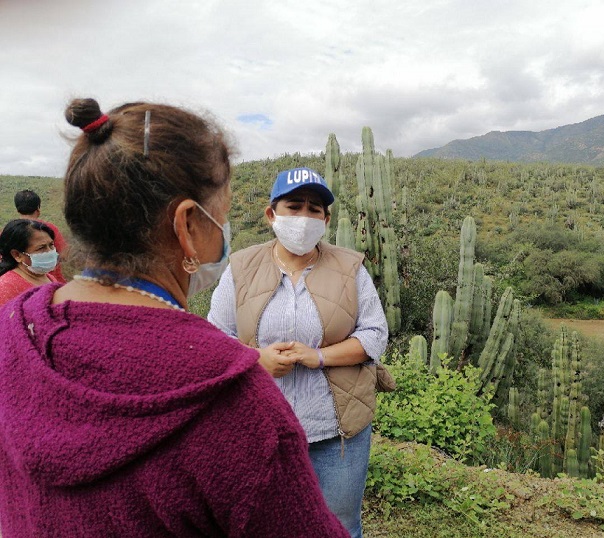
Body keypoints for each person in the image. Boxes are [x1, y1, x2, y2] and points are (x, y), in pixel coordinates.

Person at [0, 100, 349, 538]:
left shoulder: (13, 329)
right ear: (186, 226)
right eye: (220, 213)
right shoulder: (236, 402)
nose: (223, 227)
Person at [208, 167, 391, 538]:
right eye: (294, 207)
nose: (304, 218)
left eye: (314, 210)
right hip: (259, 427)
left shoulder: (350, 268)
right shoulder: (241, 267)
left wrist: (318, 356)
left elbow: (374, 334)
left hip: (336, 429)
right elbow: (215, 336)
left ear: (326, 219)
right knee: (263, 524)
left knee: (339, 526)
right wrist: (255, 359)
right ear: (271, 214)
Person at [0, 218, 59, 307]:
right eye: (41, 248)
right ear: (17, 255)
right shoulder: (6, 287)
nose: (50, 252)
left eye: (51, 245)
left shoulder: (49, 277)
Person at [14, 189, 67, 283]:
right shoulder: (49, 229)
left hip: (20, 282)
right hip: (52, 282)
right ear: (38, 209)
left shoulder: (7, 232)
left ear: (17, 209)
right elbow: (64, 254)